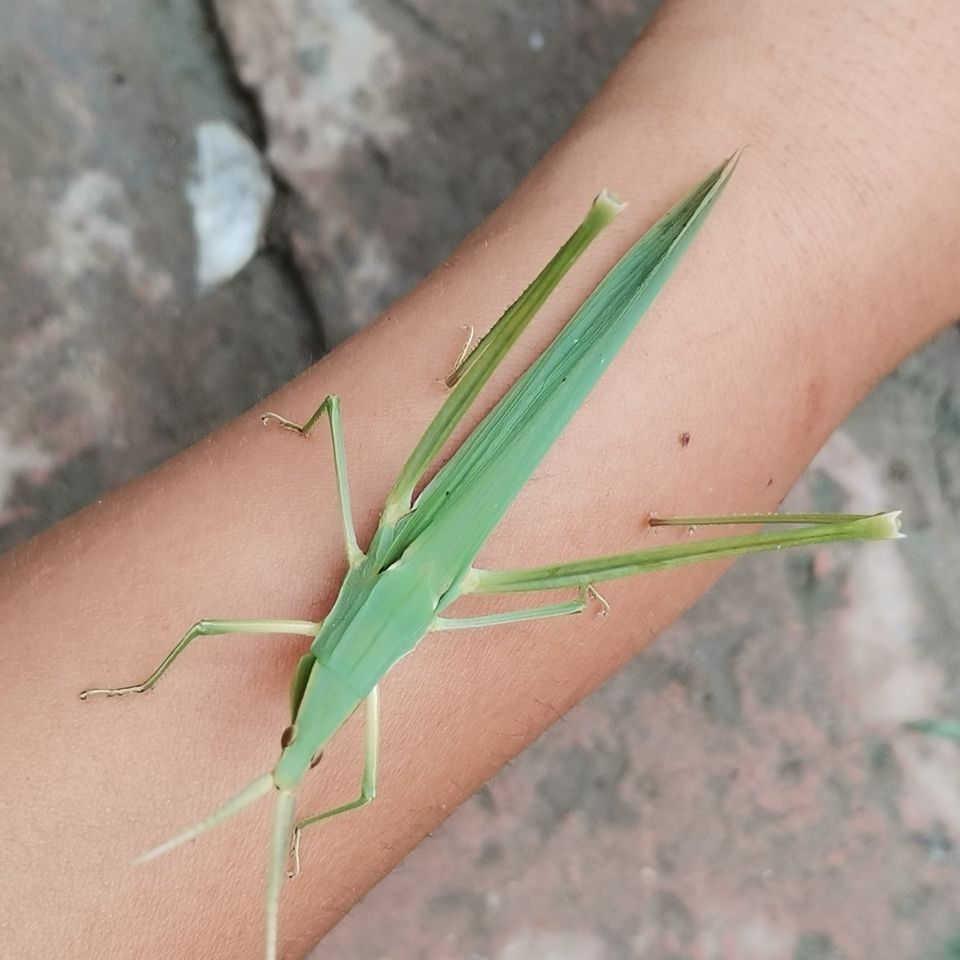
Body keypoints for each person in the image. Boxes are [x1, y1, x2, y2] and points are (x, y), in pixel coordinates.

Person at [1, 0, 958, 956]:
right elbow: (248, 609)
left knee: (467, 430)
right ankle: (814, 217)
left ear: (311, 667)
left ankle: (700, 211)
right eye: (311, 741)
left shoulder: (348, 731)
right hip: (449, 564)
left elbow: (263, 601)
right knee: (578, 530)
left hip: (425, 535)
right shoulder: (341, 724)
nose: (311, 735)